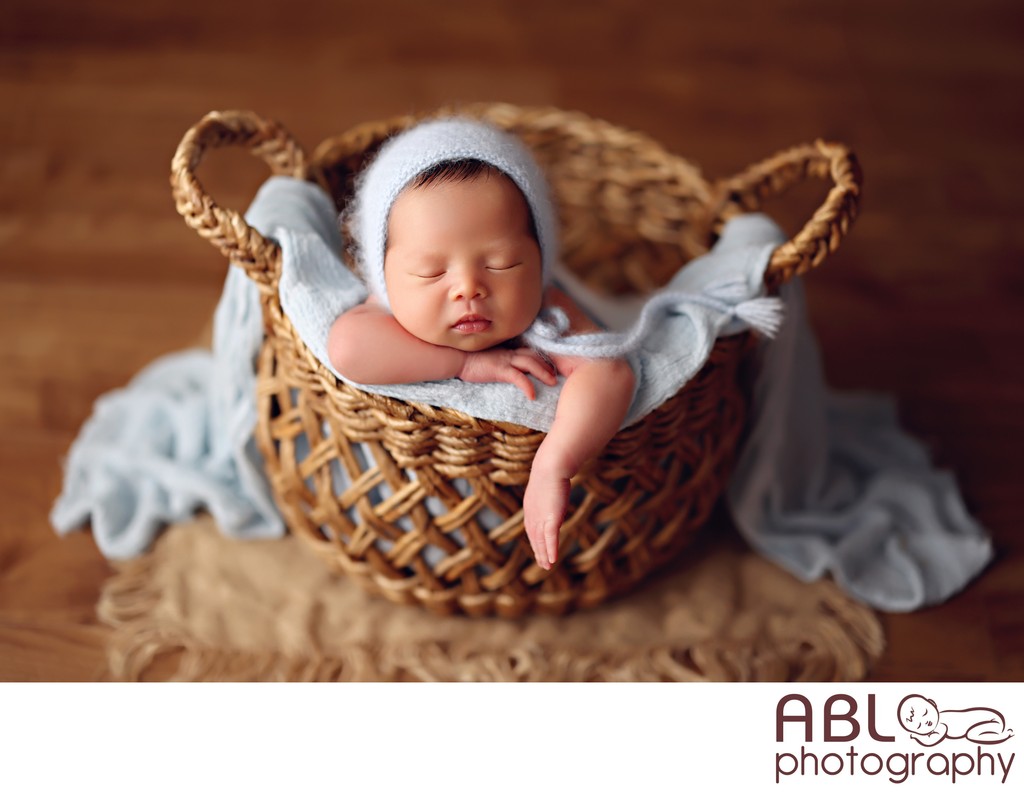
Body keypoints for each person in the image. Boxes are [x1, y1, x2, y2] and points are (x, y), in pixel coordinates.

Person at [328, 117, 635, 571]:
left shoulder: (547, 308)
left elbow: (609, 372)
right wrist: (464, 364)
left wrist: (554, 465)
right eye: (432, 272)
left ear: (539, 261)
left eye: (502, 263)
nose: (468, 289)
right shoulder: (387, 309)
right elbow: (347, 349)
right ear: (385, 274)